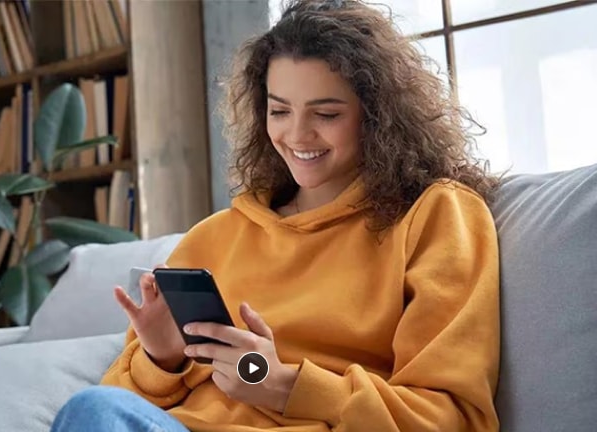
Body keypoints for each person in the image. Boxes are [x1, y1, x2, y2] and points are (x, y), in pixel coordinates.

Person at [51, 0, 501, 430]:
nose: (297, 135)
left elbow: (452, 418)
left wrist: (283, 385)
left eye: (326, 113)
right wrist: (162, 360)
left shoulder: (436, 215)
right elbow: (111, 411)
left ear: (378, 117)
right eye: (279, 110)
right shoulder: (215, 236)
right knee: (93, 409)